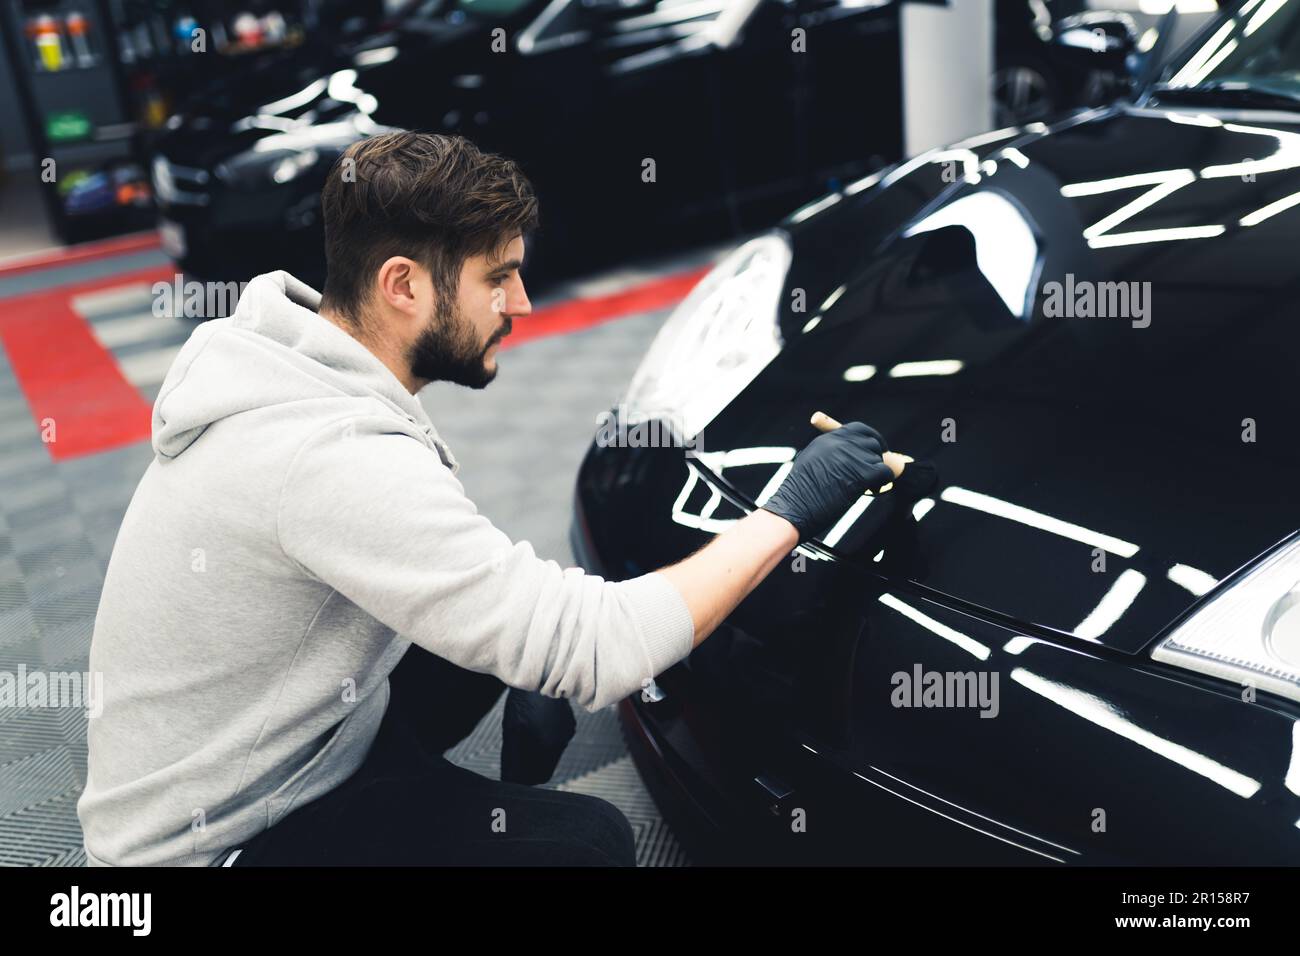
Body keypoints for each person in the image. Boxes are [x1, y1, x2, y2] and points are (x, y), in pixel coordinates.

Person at [77, 131, 900, 866]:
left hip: (278, 751)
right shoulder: (329, 457)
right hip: (212, 843)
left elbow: (470, 576)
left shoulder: (295, 363)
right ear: (403, 284)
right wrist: (792, 505)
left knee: (483, 647)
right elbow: (602, 648)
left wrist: (527, 659)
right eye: (497, 278)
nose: (521, 304)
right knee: (587, 846)